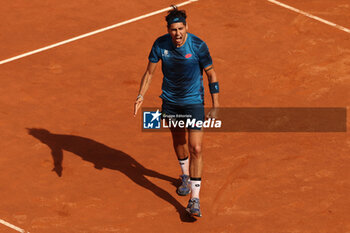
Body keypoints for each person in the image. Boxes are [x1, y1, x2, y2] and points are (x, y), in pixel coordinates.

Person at [133, 7, 220, 217]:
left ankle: (195, 200)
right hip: (171, 103)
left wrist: (216, 105)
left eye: (181, 28)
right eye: (173, 30)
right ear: (168, 30)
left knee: (196, 148)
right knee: (179, 141)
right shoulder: (160, 44)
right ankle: (185, 176)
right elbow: (149, 73)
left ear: (186, 27)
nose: (177, 33)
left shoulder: (198, 46)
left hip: (194, 102)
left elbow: (211, 74)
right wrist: (140, 96)